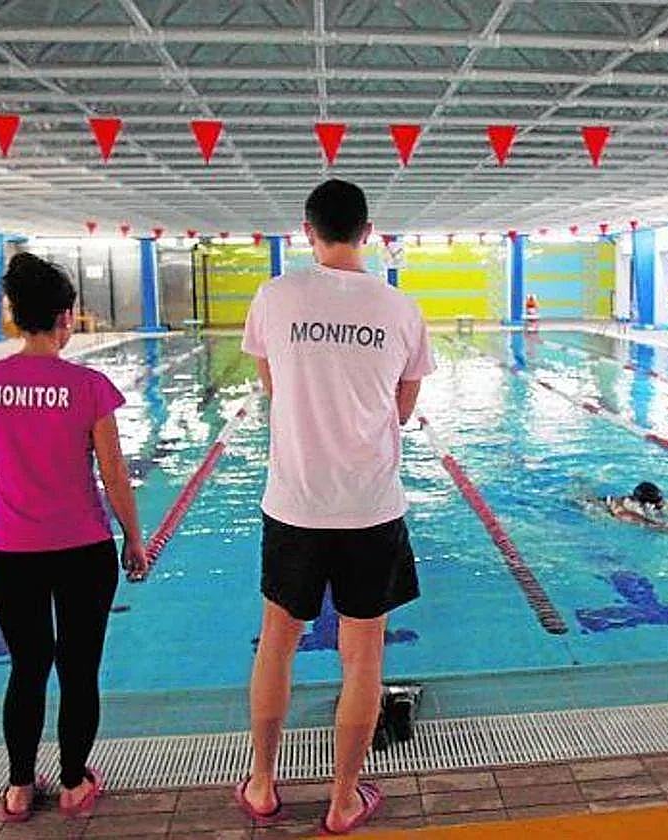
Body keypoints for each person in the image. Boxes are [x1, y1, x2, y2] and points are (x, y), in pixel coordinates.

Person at [238, 179, 435, 835]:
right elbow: (403, 412)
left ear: (307, 230)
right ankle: (343, 799)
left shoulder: (274, 296)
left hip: (293, 505)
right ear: (368, 232)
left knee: (277, 646)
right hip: (370, 509)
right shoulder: (401, 308)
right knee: (364, 659)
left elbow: (272, 387)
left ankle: (263, 784)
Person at [0, 253, 148, 822]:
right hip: (84, 551)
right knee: (79, 667)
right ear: (66, 317)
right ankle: (72, 782)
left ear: (14, 316)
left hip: (9, 552)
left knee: (27, 665)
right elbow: (114, 474)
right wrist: (134, 538)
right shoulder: (88, 386)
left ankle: (18, 787)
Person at [589, 481, 668, 532]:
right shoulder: (623, 508)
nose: (660, 506)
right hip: (592, 506)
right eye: (656, 505)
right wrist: (659, 526)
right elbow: (626, 515)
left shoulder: (634, 502)